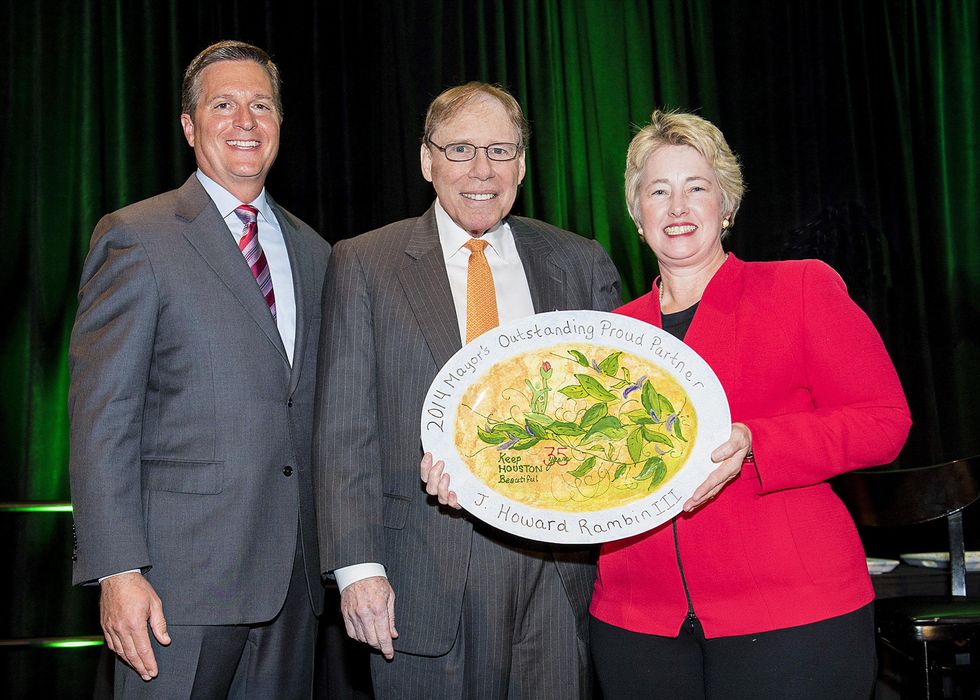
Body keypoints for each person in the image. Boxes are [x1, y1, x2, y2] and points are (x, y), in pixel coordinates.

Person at [584, 110, 911, 698]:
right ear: (637, 215)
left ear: (726, 206)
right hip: (638, 624)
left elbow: (884, 423)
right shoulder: (609, 335)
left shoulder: (801, 289)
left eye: (696, 188)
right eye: (658, 191)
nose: (677, 206)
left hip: (792, 618)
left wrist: (760, 442)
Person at [314, 82, 621, 698]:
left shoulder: (578, 262)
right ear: (427, 161)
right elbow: (345, 429)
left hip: (556, 575)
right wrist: (357, 569)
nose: (482, 170)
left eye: (500, 151)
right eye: (460, 150)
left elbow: (612, 409)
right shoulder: (365, 264)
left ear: (523, 164)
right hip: (423, 572)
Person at [68, 40, 329, 697]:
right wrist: (117, 571)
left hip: (293, 589)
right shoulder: (137, 236)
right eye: (223, 104)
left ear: (278, 124)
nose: (245, 120)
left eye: (261, 105)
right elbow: (103, 418)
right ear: (190, 126)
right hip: (175, 590)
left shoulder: (318, 253)